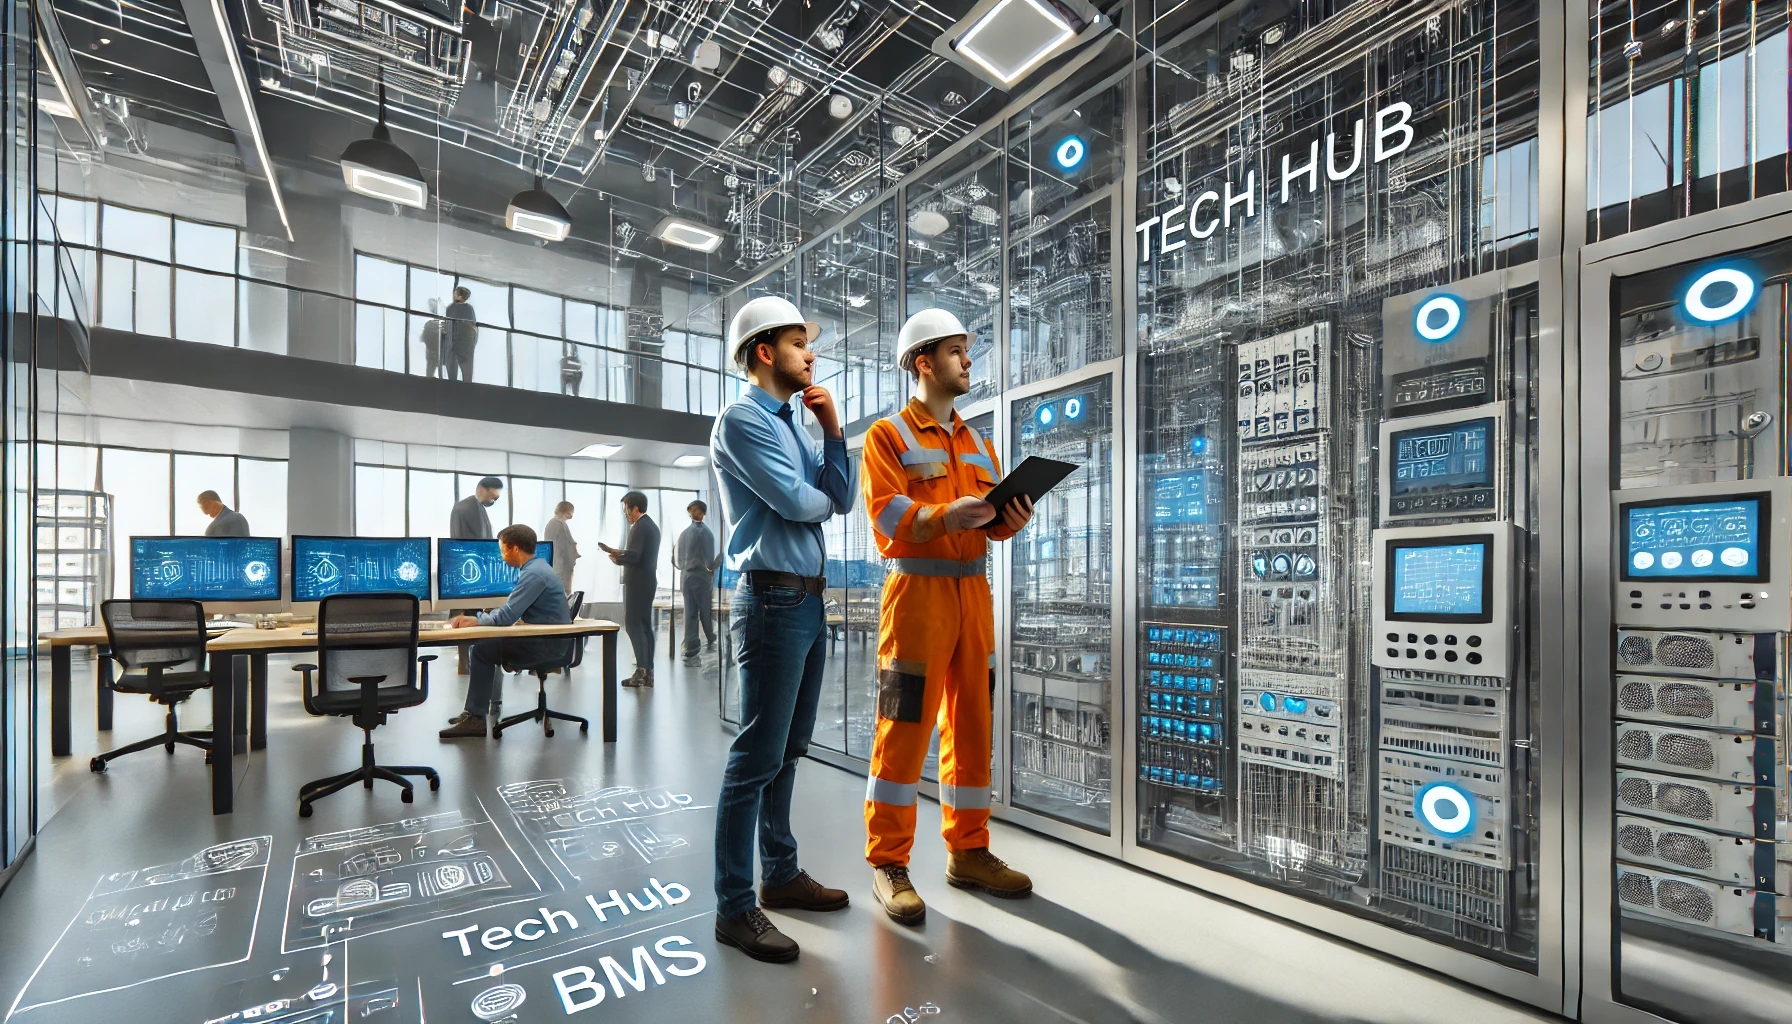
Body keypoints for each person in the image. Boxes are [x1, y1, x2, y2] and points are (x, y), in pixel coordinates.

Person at [860, 308, 1036, 925]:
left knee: (973, 723)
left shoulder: (977, 439)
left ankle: (969, 850)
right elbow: (885, 515)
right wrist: (943, 518)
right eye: (957, 351)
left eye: (968, 350)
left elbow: (989, 524)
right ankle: (888, 862)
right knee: (904, 726)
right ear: (923, 362)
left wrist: (1010, 519)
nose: (968, 361)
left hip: (974, 596)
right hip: (915, 598)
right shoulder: (889, 435)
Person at [708, 295, 854, 963]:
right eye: (800, 344)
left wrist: (832, 432)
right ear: (765, 351)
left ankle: (783, 874)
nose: (811, 355)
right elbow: (800, 502)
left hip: (808, 602)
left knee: (789, 749)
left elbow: (840, 498)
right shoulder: (742, 420)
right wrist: (817, 491)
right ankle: (735, 907)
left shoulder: (798, 421)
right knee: (754, 760)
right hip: (771, 600)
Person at [439, 524, 572, 739]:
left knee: (482, 650)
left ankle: (475, 718)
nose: (501, 556)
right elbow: (513, 610)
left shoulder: (533, 575)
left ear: (515, 549)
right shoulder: (537, 568)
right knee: (485, 647)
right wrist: (487, 616)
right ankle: (473, 713)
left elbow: (506, 617)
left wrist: (477, 620)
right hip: (548, 641)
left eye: (503, 550)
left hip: (546, 646)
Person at [598, 492, 660, 686]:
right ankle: (647, 672)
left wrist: (617, 558)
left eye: (626, 508)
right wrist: (619, 552)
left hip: (638, 582)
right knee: (644, 626)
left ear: (635, 508)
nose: (625, 513)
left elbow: (634, 557)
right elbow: (639, 553)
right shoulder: (651, 526)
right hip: (647, 581)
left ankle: (642, 671)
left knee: (633, 624)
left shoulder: (639, 527)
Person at [672, 499, 721, 663]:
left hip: (690, 577)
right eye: (692, 509)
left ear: (702, 512)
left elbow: (677, 559)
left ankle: (694, 645)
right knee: (699, 611)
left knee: (694, 612)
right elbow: (709, 562)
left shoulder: (688, 533)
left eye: (695, 509)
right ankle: (704, 640)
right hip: (697, 577)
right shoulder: (703, 533)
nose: (693, 512)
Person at [542, 501, 580, 594]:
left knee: (565, 590)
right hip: (559, 564)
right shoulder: (555, 524)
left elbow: (568, 543)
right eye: (568, 513)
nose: (569, 516)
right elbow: (553, 546)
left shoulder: (561, 523)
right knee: (561, 591)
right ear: (561, 511)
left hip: (564, 563)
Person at [445, 285, 479, 382]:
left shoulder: (451, 308)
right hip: (462, 341)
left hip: (458, 340)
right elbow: (472, 325)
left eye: (455, 293)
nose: (453, 295)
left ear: (459, 295)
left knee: (454, 367)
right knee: (465, 369)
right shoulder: (468, 308)